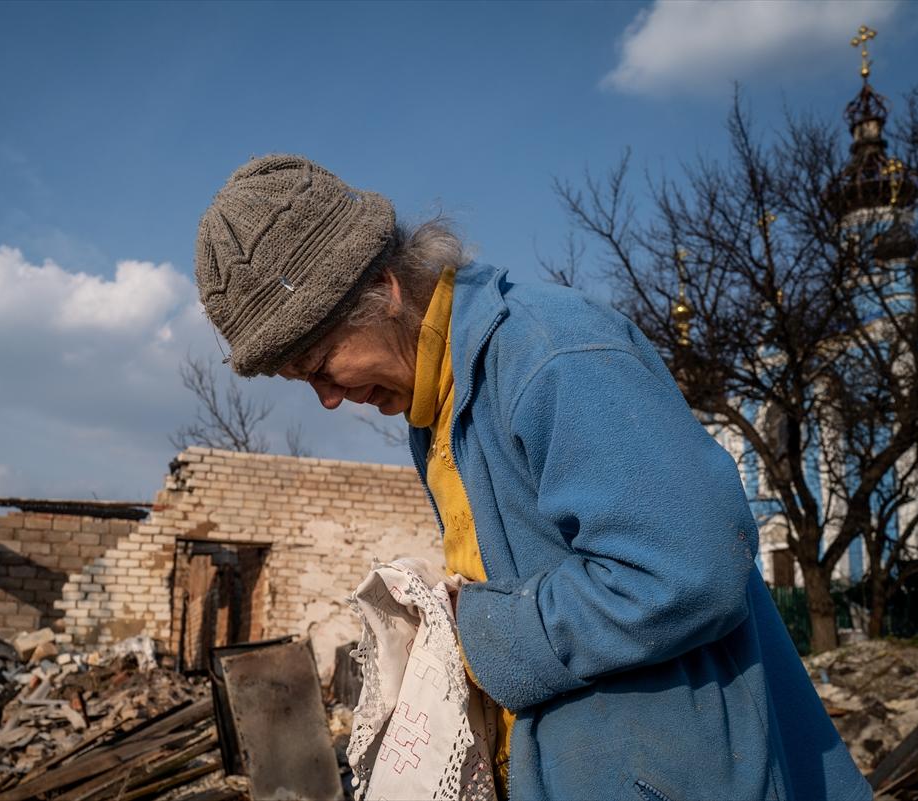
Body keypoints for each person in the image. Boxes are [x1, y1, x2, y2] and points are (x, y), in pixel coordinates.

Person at [193, 154, 871, 801]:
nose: (329, 398)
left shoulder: (552, 356)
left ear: (384, 290)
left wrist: (479, 628)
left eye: (320, 365)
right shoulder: (438, 408)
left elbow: (690, 569)